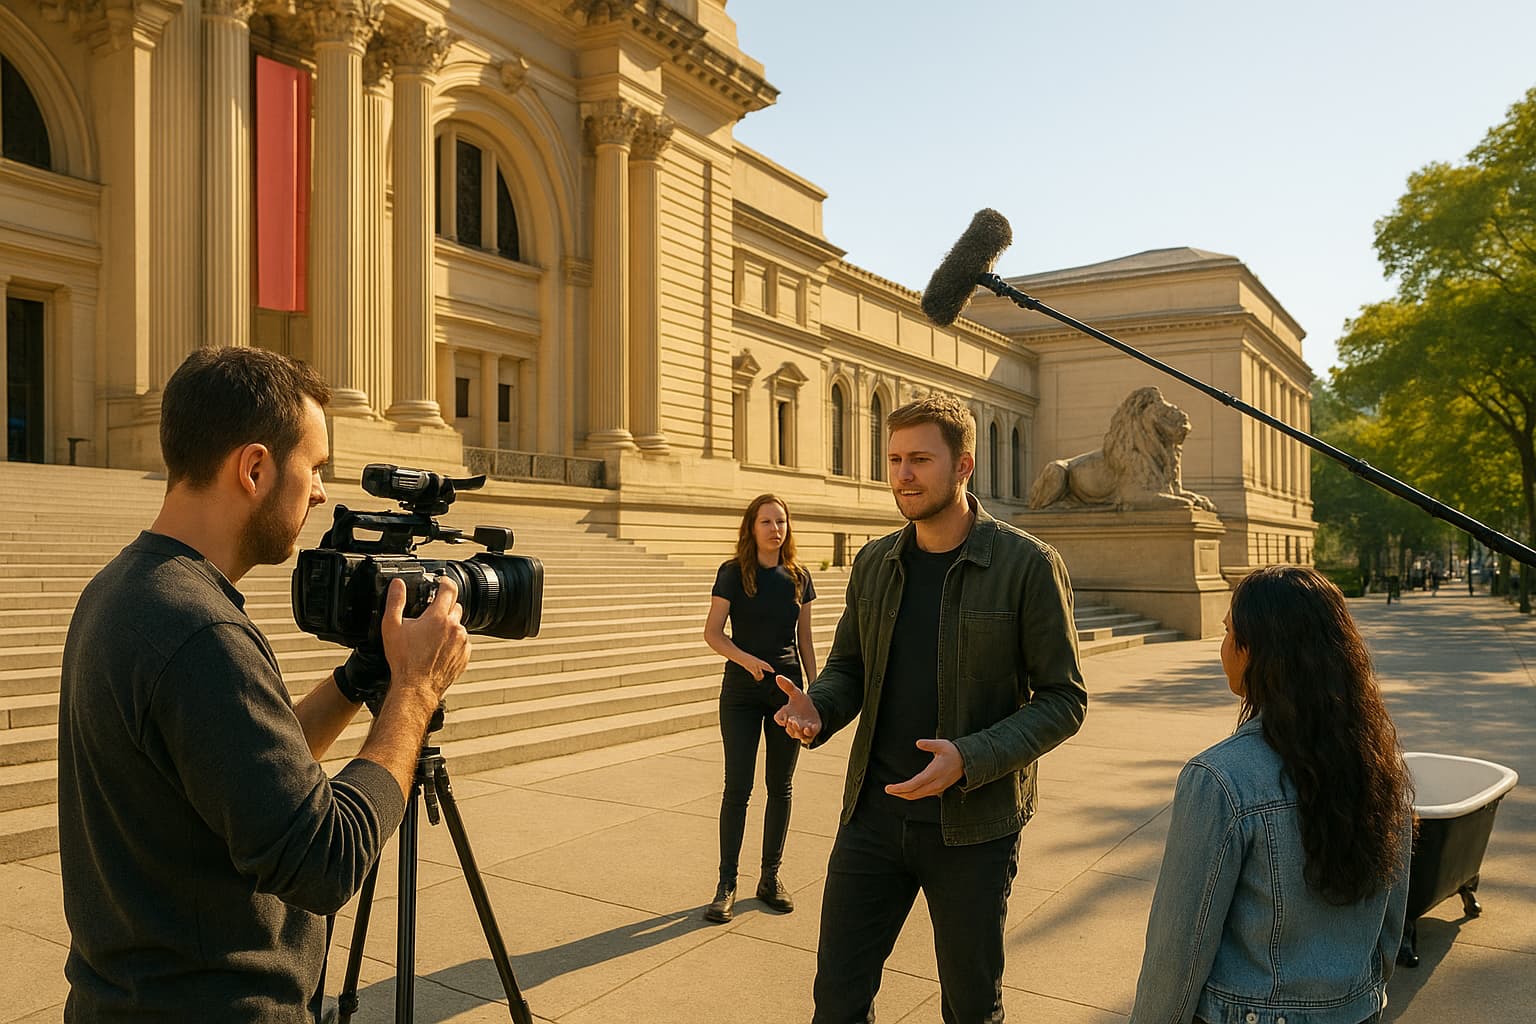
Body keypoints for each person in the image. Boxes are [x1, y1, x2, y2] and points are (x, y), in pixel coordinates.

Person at [56, 347, 472, 1023]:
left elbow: (243, 771)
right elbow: (325, 859)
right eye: (312, 467)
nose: (319, 493)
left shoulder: (125, 588)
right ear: (254, 468)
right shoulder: (201, 632)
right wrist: (415, 694)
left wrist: (358, 679)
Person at [775, 394, 1087, 1023]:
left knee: (971, 1009)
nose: (903, 475)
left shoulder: (1027, 565)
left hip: (973, 828)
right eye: (893, 459)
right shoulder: (875, 561)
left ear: (964, 465)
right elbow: (849, 670)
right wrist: (819, 710)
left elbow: (1064, 700)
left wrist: (970, 758)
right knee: (836, 1001)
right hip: (872, 817)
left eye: (919, 459)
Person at [1129, 565, 1414, 1024]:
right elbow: (1390, 918)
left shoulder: (1220, 779)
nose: (1222, 649)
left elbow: (1180, 945)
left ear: (1257, 650)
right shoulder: (1381, 764)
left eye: (1228, 633)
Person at [701, 493, 818, 923]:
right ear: (752, 528)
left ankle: (770, 877)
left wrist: (814, 695)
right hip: (741, 693)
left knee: (780, 787)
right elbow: (713, 633)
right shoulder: (733, 573)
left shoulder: (799, 577)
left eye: (781, 521)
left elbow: (805, 640)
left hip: (787, 695)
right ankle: (726, 884)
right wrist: (746, 660)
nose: (775, 529)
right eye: (766, 522)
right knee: (738, 788)